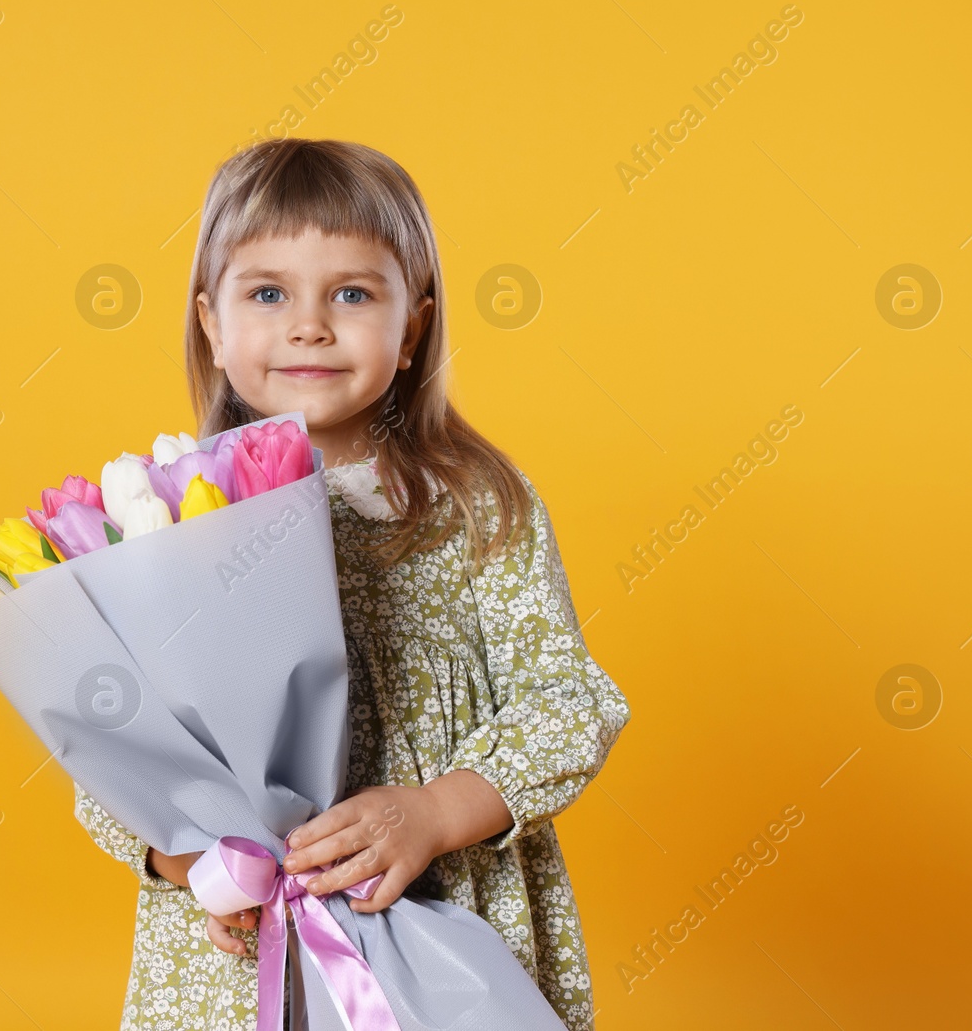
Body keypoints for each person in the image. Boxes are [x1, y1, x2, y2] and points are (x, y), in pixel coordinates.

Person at [73, 137, 631, 1030]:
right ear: (211, 324)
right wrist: (195, 865)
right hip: (239, 952)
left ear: (412, 326)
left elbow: (569, 701)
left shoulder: (473, 506)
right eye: (267, 293)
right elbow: (110, 756)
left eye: (353, 293)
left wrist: (435, 812)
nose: (309, 324)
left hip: (442, 924)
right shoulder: (168, 517)